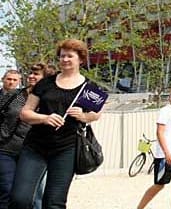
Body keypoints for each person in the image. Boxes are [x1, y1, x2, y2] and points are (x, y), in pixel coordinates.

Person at [10, 39, 104, 209]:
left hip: (66, 148)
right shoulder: (45, 83)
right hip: (35, 146)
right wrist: (44, 118)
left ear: (80, 59)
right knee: (20, 199)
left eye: (70, 56)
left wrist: (83, 116)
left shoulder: (89, 87)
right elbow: (25, 113)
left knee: (54, 203)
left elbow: (95, 115)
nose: (65, 59)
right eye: (62, 56)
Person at [137, 87, 171, 209]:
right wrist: (166, 152)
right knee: (159, 184)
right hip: (165, 154)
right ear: (169, 96)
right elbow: (160, 132)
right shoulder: (165, 111)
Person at [0, 70, 23, 209]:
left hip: (21, 146)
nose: (11, 82)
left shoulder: (24, 98)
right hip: (3, 148)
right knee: (6, 187)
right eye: (9, 79)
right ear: (3, 79)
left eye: (15, 80)